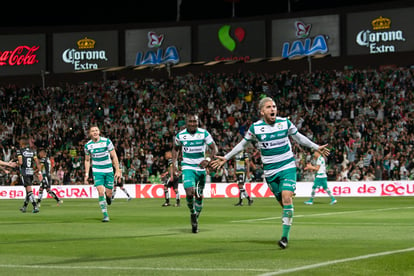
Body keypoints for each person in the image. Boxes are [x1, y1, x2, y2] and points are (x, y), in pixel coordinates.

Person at [211, 97, 330, 249]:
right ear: (262, 112)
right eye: (268, 107)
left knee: (287, 198)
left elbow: (298, 137)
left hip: (287, 167)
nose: (272, 109)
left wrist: (315, 146)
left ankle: (284, 238)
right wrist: (226, 158)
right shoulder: (255, 128)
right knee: (284, 204)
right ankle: (289, 215)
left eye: (274, 106)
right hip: (270, 172)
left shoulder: (284, 123)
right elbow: (243, 144)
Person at [172, 112, 217, 233]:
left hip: (201, 169)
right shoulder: (181, 135)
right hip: (187, 167)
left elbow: (214, 148)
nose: (193, 124)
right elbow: (175, 149)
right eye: (190, 121)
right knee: (189, 191)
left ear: (198, 122)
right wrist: (175, 164)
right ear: (186, 123)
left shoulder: (204, 133)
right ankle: (192, 213)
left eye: (195, 121)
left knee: (199, 195)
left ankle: (196, 217)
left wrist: (208, 159)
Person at [84, 125, 121, 222]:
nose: (95, 132)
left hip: (108, 170)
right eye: (93, 131)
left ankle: (108, 197)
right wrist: (87, 174)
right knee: (100, 191)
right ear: (90, 133)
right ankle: (105, 215)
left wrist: (117, 169)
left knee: (108, 193)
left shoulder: (106, 141)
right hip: (97, 171)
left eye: (96, 130)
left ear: (99, 132)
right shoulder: (88, 145)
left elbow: (114, 156)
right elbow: (87, 160)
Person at [17, 137, 42, 213]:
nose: (19, 144)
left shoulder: (20, 151)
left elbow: (20, 162)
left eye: (20, 143)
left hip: (24, 172)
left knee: (29, 190)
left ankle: (35, 206)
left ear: (22, 143)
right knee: (27, 190)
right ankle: (24, 207)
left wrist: (16, 164)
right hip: (31, 172)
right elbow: (37, 162)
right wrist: (39, 172)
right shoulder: (33, 151)